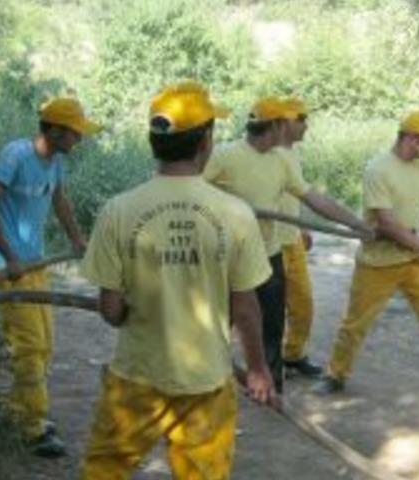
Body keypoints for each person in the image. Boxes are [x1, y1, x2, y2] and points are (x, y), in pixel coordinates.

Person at [79, 81, 277, 479]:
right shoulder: (235, 214)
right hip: (206, 382)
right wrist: (258, 368)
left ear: (154, 142)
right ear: (206, 140)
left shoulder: (117, 211)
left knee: (104, 470)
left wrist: (125, 311)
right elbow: (246, 307)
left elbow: (110, 309)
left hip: (135, 377)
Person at [204, 97, 370, 394]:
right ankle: (203, 378)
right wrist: (228, 207)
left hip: (268, 254)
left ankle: (270, 387)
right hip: (229, 258)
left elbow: (313, 198)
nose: (296, 126)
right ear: (277, 125)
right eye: (289, 122)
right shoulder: (224, 156)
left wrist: (355, 224)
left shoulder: (281, 161)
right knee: (223, 320)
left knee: (272, 323)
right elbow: (191, 190)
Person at [314, 111, 419, 401]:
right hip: (379, 262)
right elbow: (388, 223)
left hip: (415, 261)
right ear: (413, 138)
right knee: (355, 324)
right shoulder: (378, 170)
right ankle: (335, 375)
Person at [0, 97, 100, 457]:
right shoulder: (14, 156)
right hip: (9, 268)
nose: (79, 139)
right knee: (31, 347)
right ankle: (31, 428)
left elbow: (60, 200)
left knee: (45, 343)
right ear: (56, 130)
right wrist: (9, 257)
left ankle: (23, 413)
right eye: (75, 133)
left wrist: (77, 238)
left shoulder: (55, 162)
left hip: (34, 265)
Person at [275, 98, 321, 377]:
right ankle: (269, 364)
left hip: (292, 239)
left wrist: (302, 226)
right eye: (300, 118)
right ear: (284, 122)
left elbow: (296, 193)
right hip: (270, 243)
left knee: (303, 304)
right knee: (270, 309)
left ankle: (293, 355)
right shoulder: (266, 154)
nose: (306, 124)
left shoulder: (293, 155)